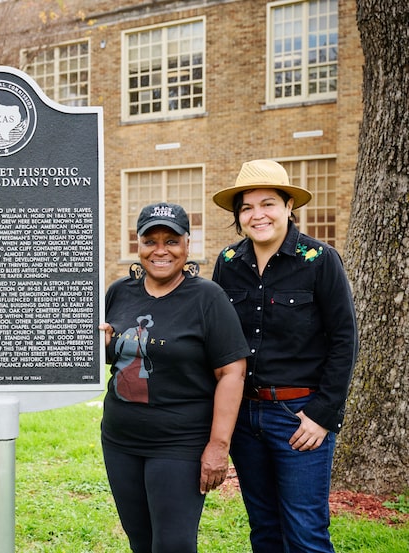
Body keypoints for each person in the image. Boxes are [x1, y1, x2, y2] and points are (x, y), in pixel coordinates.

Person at [211, 159, 358, 553]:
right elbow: (216, 340)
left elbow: (345, 340)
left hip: (299, 419)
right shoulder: (227, 264)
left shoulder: (320, 260)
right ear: (238, 216)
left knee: (305, 534)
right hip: (244, 419)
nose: (257, 215)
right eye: (246, 207)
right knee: (264, 530)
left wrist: (323, 415)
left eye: (268, 203)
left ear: (289, 206)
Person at [99, 202, 249, 553]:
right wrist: (104, 344)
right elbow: (118, 354)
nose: (161, 250)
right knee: (141, 541)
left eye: (172, 240)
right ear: (138, 245)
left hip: (179, 443)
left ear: (187, 245)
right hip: (120, 440)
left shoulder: (207, 298)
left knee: (173, 545)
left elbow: (232, 372)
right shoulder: (120, 291)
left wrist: (218, 445)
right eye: (150, 240)